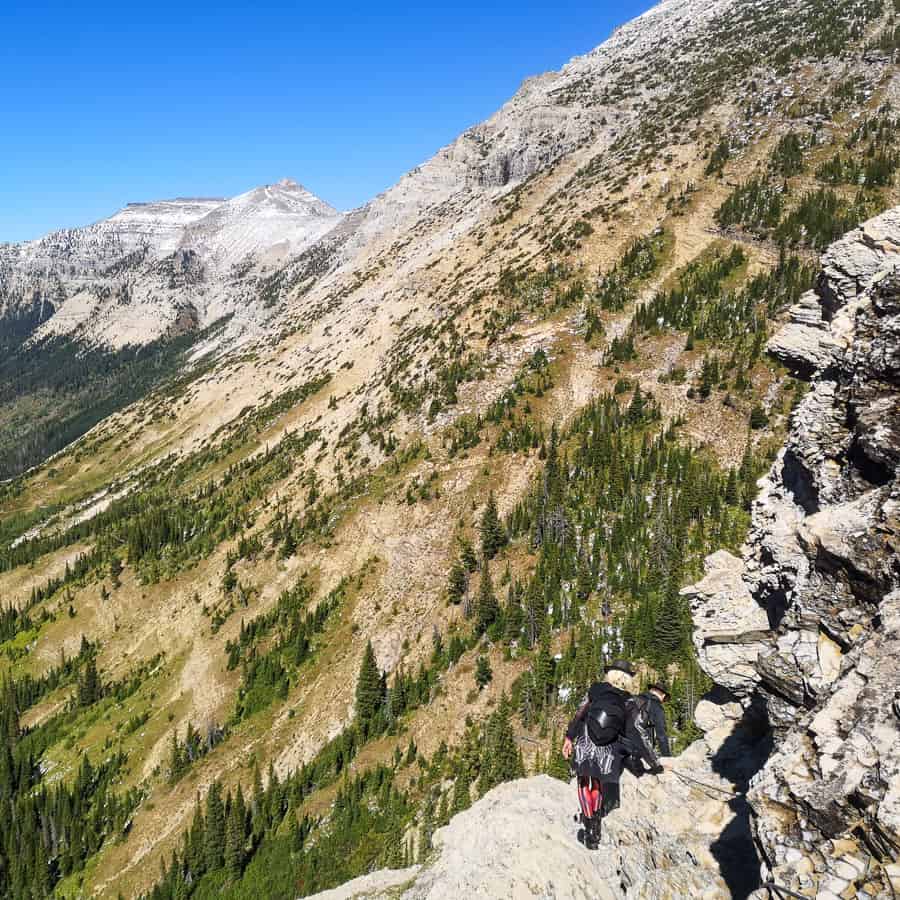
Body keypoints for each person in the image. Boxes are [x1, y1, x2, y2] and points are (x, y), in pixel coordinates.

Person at [562, 660, 662, 850]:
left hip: (586, 740)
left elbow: (580, 714)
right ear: (626, 679)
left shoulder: (596, 689)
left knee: (584, 782)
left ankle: (588, 820)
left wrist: (569, 737)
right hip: (607, 747)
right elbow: (635, 731)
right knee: (597, 783)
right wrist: (653, 763)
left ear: (610, 675)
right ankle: (596, 827)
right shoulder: (629, 700)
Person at [636, 683, 671, 757]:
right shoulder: (656, 705)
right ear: (663, 695)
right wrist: (667, 757)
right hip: (642, 749)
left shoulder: (635, 698)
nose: (663, 701)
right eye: (664, 699)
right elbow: (661, 735)